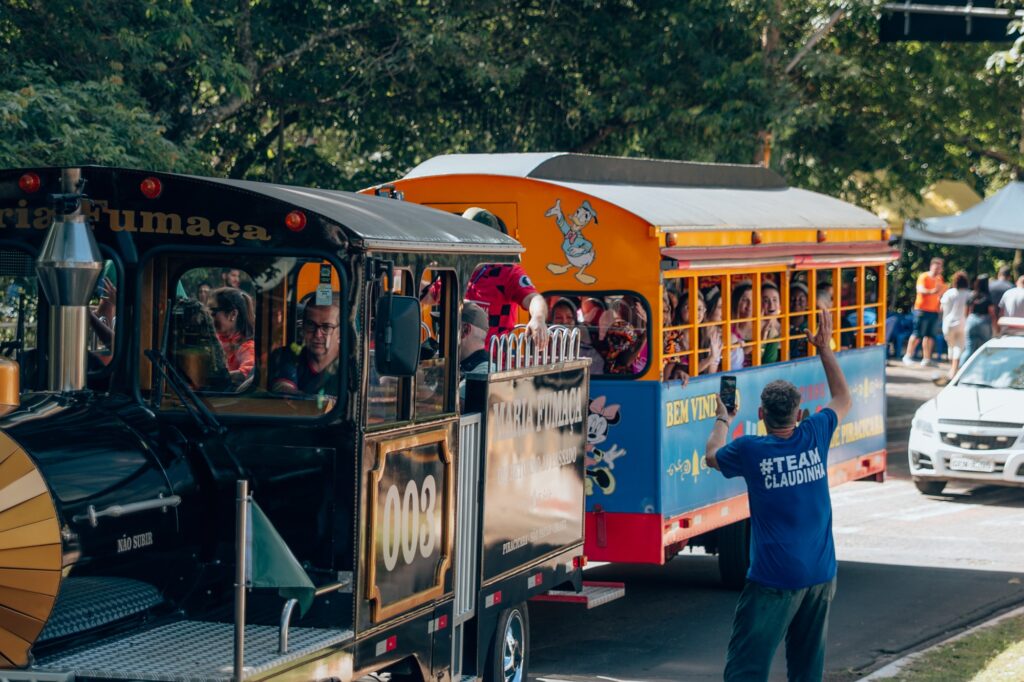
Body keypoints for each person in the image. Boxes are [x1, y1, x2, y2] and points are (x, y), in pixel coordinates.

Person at [705, 309, 851, 682]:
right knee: (806, 671)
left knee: (745, 669)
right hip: (820, 577)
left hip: (773, 581)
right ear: (800, 413)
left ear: (760, 414)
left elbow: (711, 456)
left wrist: (724, 418)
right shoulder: (815, 433)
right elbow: (842, 397)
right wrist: (825, 349)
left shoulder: (752, 451)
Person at [271, 293, 341, 396]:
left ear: (341, 332)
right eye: (311, 324)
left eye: (326, 327)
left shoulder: (350, 364)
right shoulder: (289, 354)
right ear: (303, 327)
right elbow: (283, 389)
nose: (317, 334)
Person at [902, 257, 945, 367]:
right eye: (936, 268)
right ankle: (908, 355)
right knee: (917, 334)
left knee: (930, 336)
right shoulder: (923, 276)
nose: (937, 270)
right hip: (921, 310)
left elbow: (941, 293)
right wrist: (932, 291)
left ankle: (926, 359)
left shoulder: (940, 279)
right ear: (931, 266)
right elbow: (920, 289)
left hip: (934, 311)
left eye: (939, 268)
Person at [209, 286, 255, 385]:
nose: (208, 317)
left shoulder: (247, 347)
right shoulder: (215, 340)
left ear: (233, 314)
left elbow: (247, 374)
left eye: (213, 312)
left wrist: (208, 378)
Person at [939, 271, 971, 381]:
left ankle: (952, 369)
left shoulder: (949, 293)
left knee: (951, 346)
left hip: (948, 323)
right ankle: (954, 370)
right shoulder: (968, 294)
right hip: (963, 323)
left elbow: (942, 308)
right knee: (959, 347)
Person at [457, 301, 490, 406]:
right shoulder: (463, 364)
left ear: (465, 330)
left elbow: (458, 408)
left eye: (444, 326)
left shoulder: (485, 370)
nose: (439, 332)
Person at [963, 275, 998, 363]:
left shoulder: (972, 295)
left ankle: (961, 369)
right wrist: (995, 326)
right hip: (984, 322)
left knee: (969, 349)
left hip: (972, 320)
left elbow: (966, 311)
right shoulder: (988, 297)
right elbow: (992, 313)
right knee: (984, 348)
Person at [729, 281, 754, 369]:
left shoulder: (762, 326)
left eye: (753, 299)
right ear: (736, 302)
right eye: (744, 300)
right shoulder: (728, 327)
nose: (750, 305)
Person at [760, 280, 782, 364]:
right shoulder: (753, 331)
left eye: (775, 300)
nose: (771, 305)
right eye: (765, 301)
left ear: (780, 304)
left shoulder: (788, 329)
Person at [789, 281, 810, 358]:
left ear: (807, 302)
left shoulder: (814, 326)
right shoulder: (780, 327)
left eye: (801, 299)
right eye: (792, 299)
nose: (796, 302)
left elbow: (831, 348)